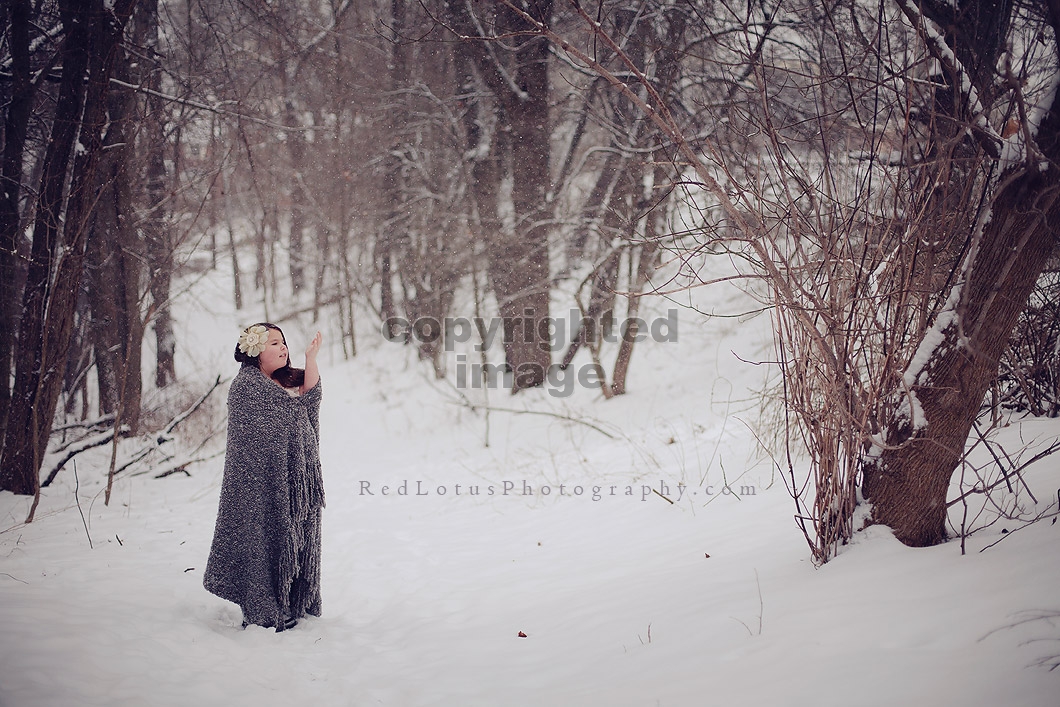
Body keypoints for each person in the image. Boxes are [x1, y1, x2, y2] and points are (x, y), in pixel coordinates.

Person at [204, 323, 324, 632]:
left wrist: (311, 358)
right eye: (274, 344)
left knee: (295, 539)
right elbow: (256, 441)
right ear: (255, 351)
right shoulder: (247, 388)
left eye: (283, 342)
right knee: (262, 537)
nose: (283, 347)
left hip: (296, 480)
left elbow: (309, 400)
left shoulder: (285, 383)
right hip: (258, 484)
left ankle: (290, 600)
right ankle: (261, 606)